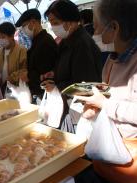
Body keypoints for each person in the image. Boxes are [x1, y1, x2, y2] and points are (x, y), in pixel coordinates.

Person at [75, 0, 137, 183]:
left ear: (114, 28)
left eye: (95, 27)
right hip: (115, 152)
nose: (93, 34)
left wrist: (105, 104)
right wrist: (94, 109)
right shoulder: (112, 60)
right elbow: (107, 98)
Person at [43, 0, 102, 133]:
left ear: (70, 21)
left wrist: (57, 87)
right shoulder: (68, 40)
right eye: (51, 23)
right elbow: (70, 68)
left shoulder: (81, 44)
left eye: (56, 22)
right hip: (71, 107)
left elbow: (86, 85)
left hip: (80, 111)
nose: (52, 27)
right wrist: (54, 74)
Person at [15, 9, 58, 101]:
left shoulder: (45, 42)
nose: (22, 30)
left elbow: (46, 73)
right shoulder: (37, 41)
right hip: (41, 92)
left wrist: (28, 75)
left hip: (48, 94)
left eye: (23, 26)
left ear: (33, 22)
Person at [0, 22, 28, 94]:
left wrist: (11, 78)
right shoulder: (1, 50)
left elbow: (25, 70)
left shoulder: (21, 50)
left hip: (18, 90)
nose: (0, 39)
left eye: (3, 37)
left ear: (12, 36)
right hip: (4, 88)